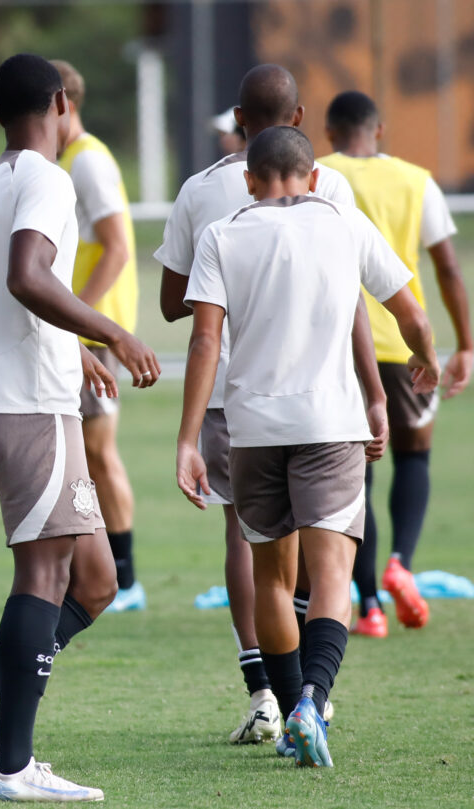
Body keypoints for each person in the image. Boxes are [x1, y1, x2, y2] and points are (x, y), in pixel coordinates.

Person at [0, 54, 160, 802]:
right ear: (60, 101)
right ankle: (14, 769)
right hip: (30, 406)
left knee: (94, 581)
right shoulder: (50, 179)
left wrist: (74, 343)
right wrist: (114, 333)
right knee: (44, 576)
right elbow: (30, 275)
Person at [176, 126, 438, 767]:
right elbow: (408, 311)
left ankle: (293, 707)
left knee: (273, 577)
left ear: (249, 180)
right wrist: (426, 357)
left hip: (253, 430)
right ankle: (311, 704)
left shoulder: (222, 234)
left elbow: (205, 341)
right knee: (330, 579)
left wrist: (187, 439)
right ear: (314, 177)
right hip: (330, 423)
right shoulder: (343, 223)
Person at [155, 64, 384, 745]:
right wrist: (375, 391)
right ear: (301, 118)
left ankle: (267, 692)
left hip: (233, 395)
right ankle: (314, 691)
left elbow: (179, 308)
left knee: (253, 550)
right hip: (324, 394)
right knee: (326, 554)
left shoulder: (202, 191)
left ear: (238, 121)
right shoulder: (330, 184)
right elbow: (357, 302)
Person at [321, 91, 473, 636]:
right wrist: (465, 344)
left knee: (354, 474)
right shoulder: (416, 180)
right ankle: (400, 563)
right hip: (409, 345)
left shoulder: (317, 174)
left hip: (343, 346)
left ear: (329, 130)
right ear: (379, 130)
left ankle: (369, 606)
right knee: (414, 460)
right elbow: (449, 268)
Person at [50, 59, 144, 612]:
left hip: (95, 333)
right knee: (85, 451)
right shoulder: (72, 160)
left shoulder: (87, 162)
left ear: (63, 102)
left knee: (99, 454)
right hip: (87, 330)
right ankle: (103, 571)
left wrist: (76, 318)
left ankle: (126, 579)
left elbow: (117, 245)